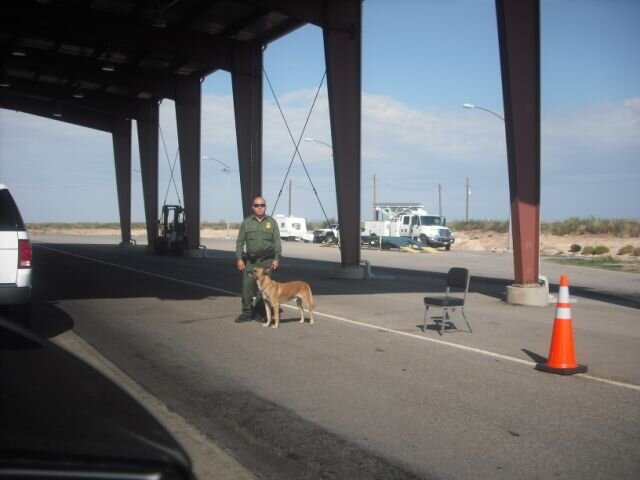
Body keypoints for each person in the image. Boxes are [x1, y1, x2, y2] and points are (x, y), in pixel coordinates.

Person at [235, 196, 282, 322]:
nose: (259, 207)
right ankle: (247, 313)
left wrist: (277, 258)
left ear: (265, 207)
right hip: (251, 262)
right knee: (247, 287)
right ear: (252, 207)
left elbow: (277, 242)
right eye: (257, 205)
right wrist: (239, 258)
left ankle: (261, 312)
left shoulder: (272, 222)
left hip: (267, 261)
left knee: (265, 289)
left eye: (262, 205)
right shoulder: (246, 222)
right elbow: (240, 242)